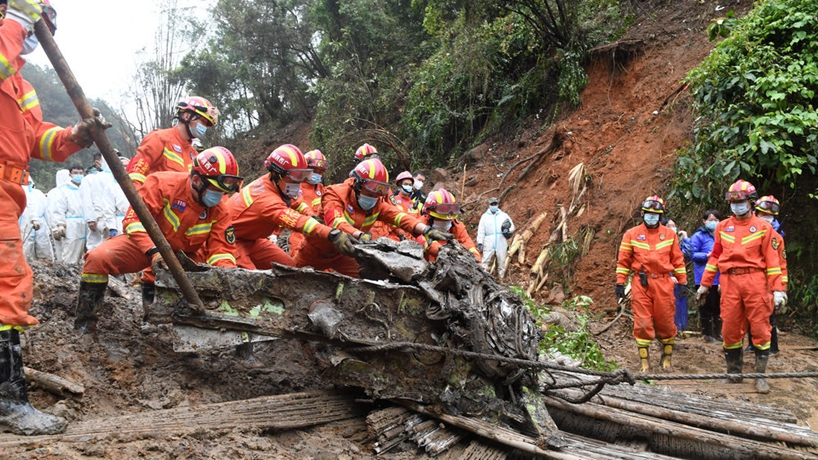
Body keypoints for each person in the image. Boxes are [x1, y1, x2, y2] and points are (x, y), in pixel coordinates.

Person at [0, 0, 109, 435]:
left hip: (10, 188)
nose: (33, 37)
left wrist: (74, 136)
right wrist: (15, 25)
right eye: (33, 26)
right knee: (7, 283)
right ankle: (7, 401)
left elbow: (33, 139)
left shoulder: (20, 82)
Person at [77, 147, 243, 333]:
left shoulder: (220, 208)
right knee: (98, 258)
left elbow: (221, 249)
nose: (219, 197)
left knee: (199, 295)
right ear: (196, 180)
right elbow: (133, 221)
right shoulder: (162, 184)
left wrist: (229, 276)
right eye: (215, 191)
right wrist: (153, 251)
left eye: (222, 192)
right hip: (146, 245)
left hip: (187, 256)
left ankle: (183, 328)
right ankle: (85, 323)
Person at [696, 180, 786, 394]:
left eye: (741, 201)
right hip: (729, 282)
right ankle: (733, 373)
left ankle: (760, 376)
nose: (736, 205)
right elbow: (715, 256)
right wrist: (705, 285)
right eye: (733, 202)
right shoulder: (722, 227)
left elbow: (773, 263)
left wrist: (779, 290)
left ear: (751, 202)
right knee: (730, 328)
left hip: (756, 281)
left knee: (760, 329)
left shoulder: (764, 228)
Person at [292, 158, 450, 277]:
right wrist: (360, 235)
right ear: (357, 185)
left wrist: (426, 230)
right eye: (370, 192)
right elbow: (336, 222)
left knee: (367, 281)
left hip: (344, 253)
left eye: (378, 193)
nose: (373, 197)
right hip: (314, 251)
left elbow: (399, 216)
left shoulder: (376, 202)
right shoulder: (334, 193)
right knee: (291, 277)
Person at [229, 145, 350, 269]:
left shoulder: (279, 184)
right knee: (251, 280)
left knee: (289, 268)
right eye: (295, 176)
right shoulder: (266, 200)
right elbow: (297, 221)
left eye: (302, 175)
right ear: (277, 173)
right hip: (231, 240)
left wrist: (311, 214)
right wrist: (331, 234)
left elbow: (297, 202)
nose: (299, 182)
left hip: (252, 239)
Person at [615, 195, 687, 373]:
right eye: (648, 213)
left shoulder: (670, 234)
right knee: (643, 322)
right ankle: (644, 363)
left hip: (664, 282)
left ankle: (667, 356)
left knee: (665, 322)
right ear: (642, 213)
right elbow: (623, 262)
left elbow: (678, 260)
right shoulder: (631, 234)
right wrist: (620, 284)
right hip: (641, 283)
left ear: (661, 215)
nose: (651, 216)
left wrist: (683, 282)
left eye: (655, 214)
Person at [127, 96, 219, 189]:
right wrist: (138, 201)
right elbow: (135, 174)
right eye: (202, 121)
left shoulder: (194, 155)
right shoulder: (159, 138)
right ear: (186, 116)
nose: (204, 127)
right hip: (149, 201)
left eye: (206, 124)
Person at [749, 195, 787, 355]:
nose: (767, 218)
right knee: (749, 316)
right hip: (749, 281)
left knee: (769, 317)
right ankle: (752, 345)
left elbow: (782, 265)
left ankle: (772, 347)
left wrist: (781, 289)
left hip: (768, 283)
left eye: (770, 216)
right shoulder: (747, 233)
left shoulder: (777, 238)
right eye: (763, 215)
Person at [683, 210, 722, 344]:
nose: (713, 222)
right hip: (703, 277)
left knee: (719, 307)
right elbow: (691, 254)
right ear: (704, 221)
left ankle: (718, 333)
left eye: (716, 220)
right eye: (710, 220)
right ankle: (707, 334)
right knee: (706, 306)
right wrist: (706, 256)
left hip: (721, 277)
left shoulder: (722, 235)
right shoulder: (699, 236)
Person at [81, 156, 130, 251]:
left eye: (126, 166)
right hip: (119, 222)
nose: (124, 168)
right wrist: (112, 227)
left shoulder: (137, 183)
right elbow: (108, 208)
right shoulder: (111, 186)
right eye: (122, 166)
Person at [420, 189, 480, 262]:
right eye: (441, 219)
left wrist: (475, 259)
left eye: (448, 220)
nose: (446, 222)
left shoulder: (457, 227)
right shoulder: (420, 226)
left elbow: (468, 243)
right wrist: (445, 252)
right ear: (429, 216)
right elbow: (422, 241)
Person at [288, 149, 328, 254]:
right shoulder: (294, 187)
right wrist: (275, 233)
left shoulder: (321, 188)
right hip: (299, 235)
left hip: (319, 235)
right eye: (315, 171)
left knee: (325, 268)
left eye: (320, 172)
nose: (318, 174)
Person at [47, 165, 87, 264]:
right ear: (70, 175)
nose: (78, 175)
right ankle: (67, 271)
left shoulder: (85, 188)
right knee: (70, 250)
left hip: (85, 224)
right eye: (75, 173)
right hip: (71, 224)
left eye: (81, 173)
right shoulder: (63, 190)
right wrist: (60, 224)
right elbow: (59, 209)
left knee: (84, 253)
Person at [476, 197, 515, 280]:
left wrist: (507, 230)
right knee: (486, 261)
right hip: (489, 241)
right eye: (492, 204)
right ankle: (483, 279)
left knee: (501, 262)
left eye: (495, 204)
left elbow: (512, 227)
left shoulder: (504, 215)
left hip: (501, 240)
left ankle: (500, 280)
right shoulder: (484, 217)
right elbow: (481, 231)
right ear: (489, 205)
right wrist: (480, 242)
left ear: (497, 204)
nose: (494, 206)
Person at [665, 218, 689, 333]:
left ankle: (680, 328)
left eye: (674, 225)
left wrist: (685, 238)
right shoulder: (662, 242)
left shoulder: (677, 242)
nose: (672, 228)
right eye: (669, 226)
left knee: (681, 303)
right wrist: (668, 275)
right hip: (666, 278)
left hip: (679, 277)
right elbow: (662, 262)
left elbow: (687, 254)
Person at [20, 176, 53, 262]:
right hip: (24, 223)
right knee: (25, 249)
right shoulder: (19, 193)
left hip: (40, 223)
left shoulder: (38, 194)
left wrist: (50, 226)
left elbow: (46, 210)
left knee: (44, 248)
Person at [45, 169, 70, 262]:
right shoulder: (55, 192)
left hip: (68, 224)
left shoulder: (70, 190)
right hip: (60, 225)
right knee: (62, 249)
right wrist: (55, 227)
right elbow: (52, 210)